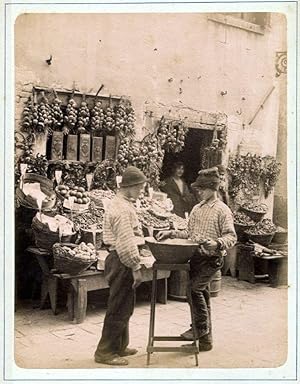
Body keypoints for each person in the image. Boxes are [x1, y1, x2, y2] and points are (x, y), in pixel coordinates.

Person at [157, 168, 236, 351]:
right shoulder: (196, 209)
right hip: (196, 258)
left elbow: (231, 237)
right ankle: (206, 341)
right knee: (203, 297)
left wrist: (216, 243)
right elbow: (189, 233)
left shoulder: (222, 210)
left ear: (212, 188)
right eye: (197, 188)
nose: (198, 192)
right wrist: (171, 232)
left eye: (202, 188)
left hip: (212, 260)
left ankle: (199, 328)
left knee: (194, 290)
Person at [94, 166, 147, 366]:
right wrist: (136, 268)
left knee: (125, 305)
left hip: (117, 258)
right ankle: (105, 352)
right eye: (140, 188)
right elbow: (126, 243)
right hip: (121, 260)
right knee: (118, 307)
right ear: (130, 187)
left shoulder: (121, 203)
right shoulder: (122, 209)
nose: (141, 191)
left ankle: (120, 345)